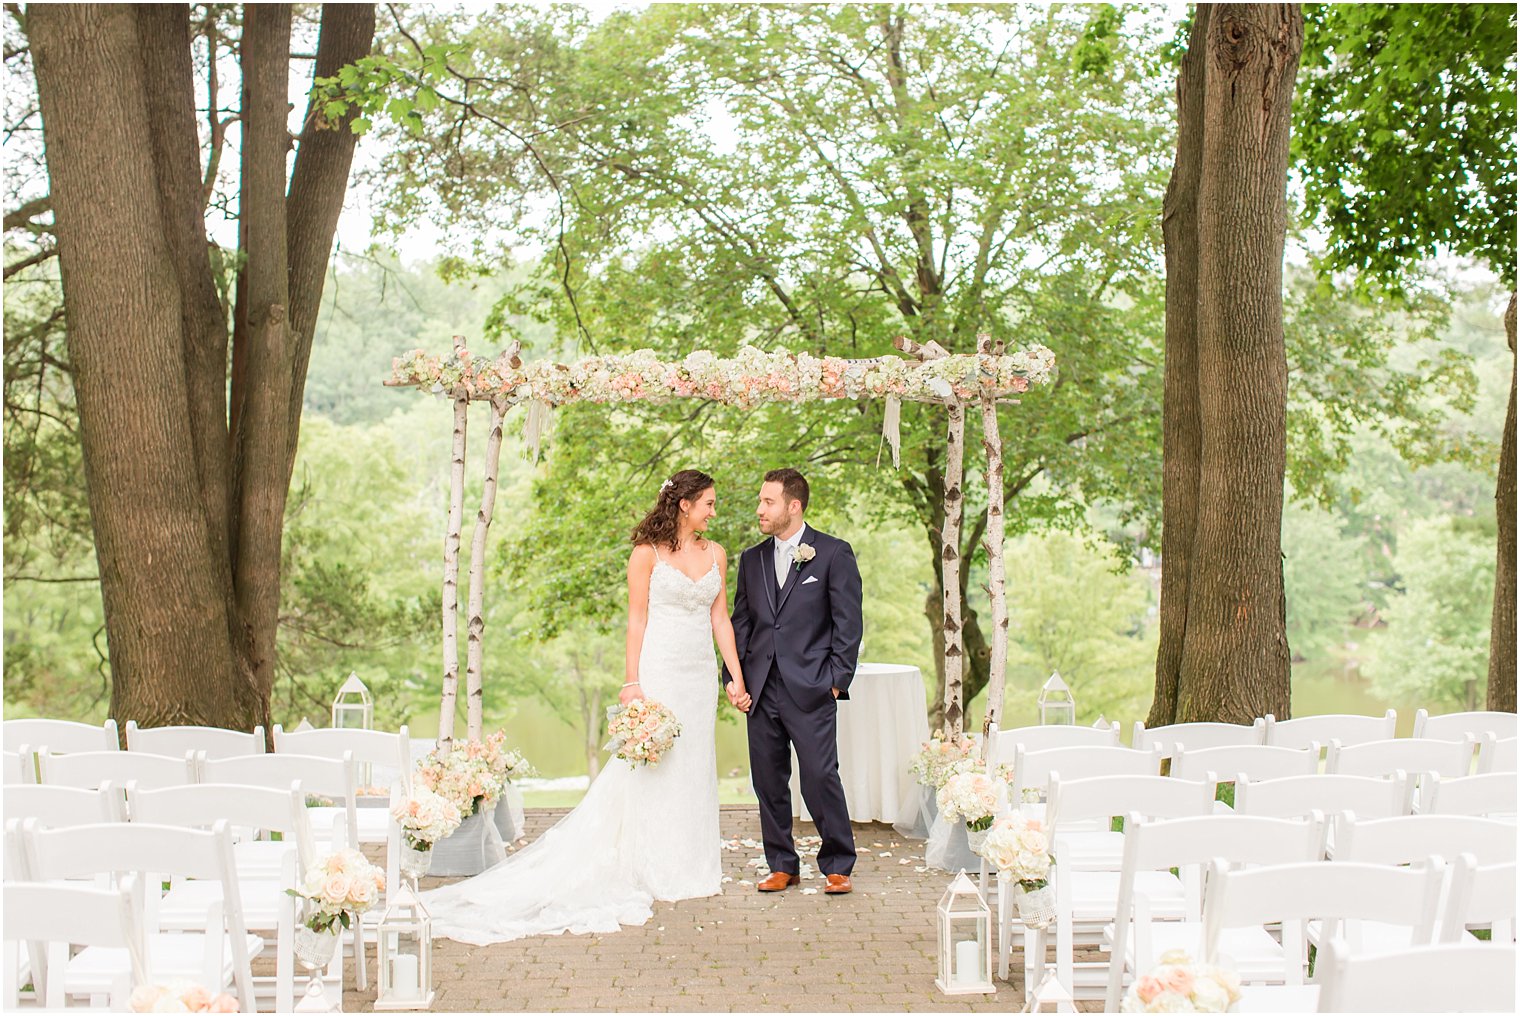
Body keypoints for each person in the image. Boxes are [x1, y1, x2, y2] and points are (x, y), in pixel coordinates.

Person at [422, 469, 746, 944]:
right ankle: (650, 864)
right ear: (685, 505)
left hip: (698, 675)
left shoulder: (716, 553)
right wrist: (632, 682)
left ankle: (692, 866)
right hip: (659, 670)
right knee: (656, 768)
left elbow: (721, 618)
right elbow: (636, 621)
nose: (715, 511)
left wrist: (734, 676)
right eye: (709, 503)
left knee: (694, 766)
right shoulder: (647, 555)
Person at [724, 468, 862, 895]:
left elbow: (848, 622)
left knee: (820, 776)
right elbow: (742, 622)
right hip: (761, 688)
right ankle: (782, 864)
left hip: (812, 686)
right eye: (761, 501)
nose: (760, 509)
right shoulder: (752, 559)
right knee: (767, 780)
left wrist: (836, 681)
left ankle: (838, 863)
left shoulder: (834, 554)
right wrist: (733, 677)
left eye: (768, 502)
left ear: (794, 505)